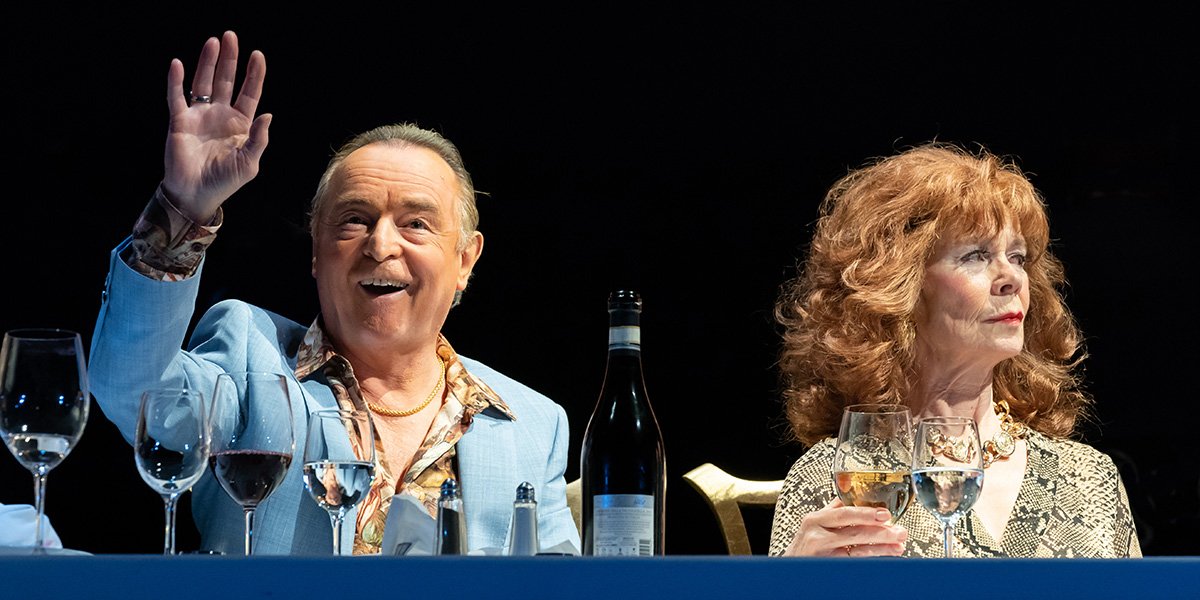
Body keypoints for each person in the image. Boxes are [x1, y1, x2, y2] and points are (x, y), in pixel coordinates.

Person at [88, 30, 580, 555]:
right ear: (317, 252)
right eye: (354, 220)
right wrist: (181, 211)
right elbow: (130, 387)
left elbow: (559, 583)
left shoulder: (533, 424)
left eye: (416, 223)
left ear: (465, 260)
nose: (381, 244)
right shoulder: (249, 357)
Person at [768, 142, 1141, 558]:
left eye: (1017, 257)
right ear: (897, 287)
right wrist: (793, 582)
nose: (1010, 279)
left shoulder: (1087, 477)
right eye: (976, 256)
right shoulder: (836, 477)